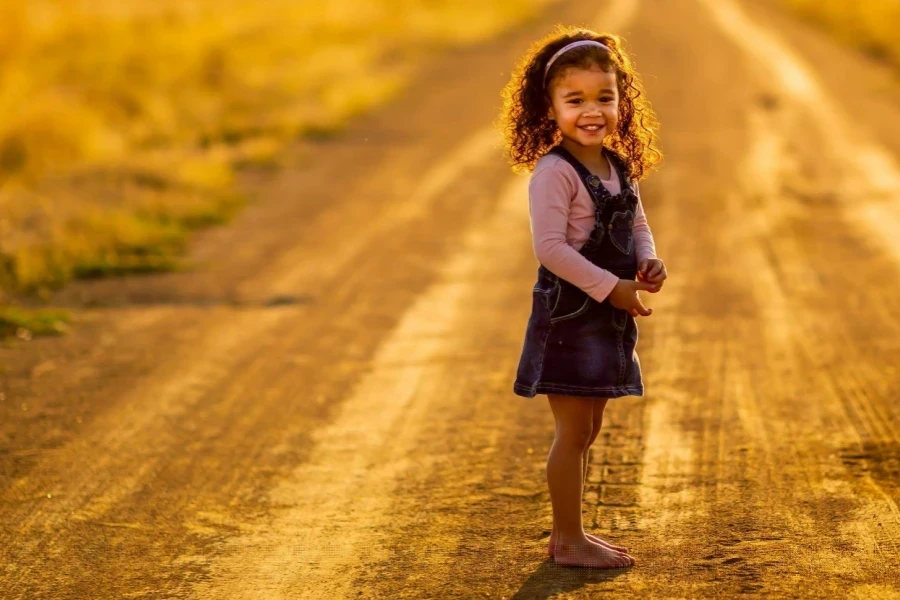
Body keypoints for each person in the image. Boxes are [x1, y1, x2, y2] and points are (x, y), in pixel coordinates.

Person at [498, 27, 667, 569]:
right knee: (572, 431)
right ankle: (567, 539)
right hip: (571, 313)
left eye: (604, 97)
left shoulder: (616, 164)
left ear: (622, 100)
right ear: (550, 109)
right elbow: (549, 248)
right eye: (575, 101)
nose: (591, 111)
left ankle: (573, 533)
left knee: (589, 428)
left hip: (606, 308)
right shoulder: (553, 172)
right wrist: (610, 287)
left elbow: (635, 220)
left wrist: (646, 260)